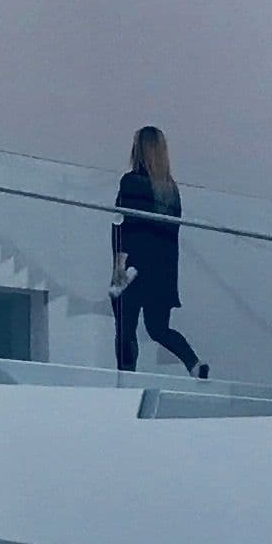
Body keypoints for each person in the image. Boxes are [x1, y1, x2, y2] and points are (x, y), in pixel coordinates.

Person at [109, 125, 208, 376]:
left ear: (138, 149)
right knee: (158, 329)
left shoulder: (131, 181)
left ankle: (126, 378)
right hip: (162, 271)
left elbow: (124, 225)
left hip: (134, 266)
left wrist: (119, 266)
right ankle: (193, 363)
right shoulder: (170, 189)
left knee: (125, 328)